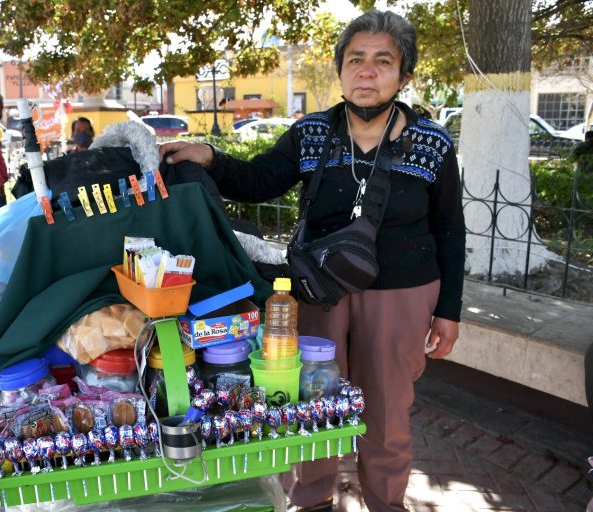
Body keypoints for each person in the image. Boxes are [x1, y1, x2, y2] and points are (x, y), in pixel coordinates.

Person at [159, 10, 465, 512]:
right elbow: (260, 180)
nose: (367, 71)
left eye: (382, 61)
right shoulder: (312, 133)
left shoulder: (431, 142)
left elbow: (450, 228)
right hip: (319, 289)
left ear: (404, 75)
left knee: (387, 411)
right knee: (310, 402)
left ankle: (387, 503)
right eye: (355, 60)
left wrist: (448, 309)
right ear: (341, 70)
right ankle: (311, 501)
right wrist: (209, 157)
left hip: (403, 292)